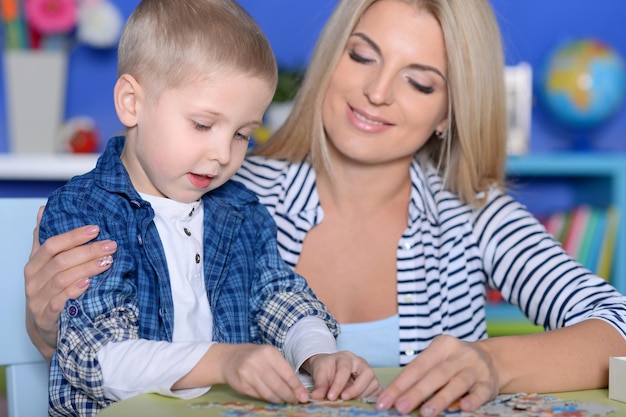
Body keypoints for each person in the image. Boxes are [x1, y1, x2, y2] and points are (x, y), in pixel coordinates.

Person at [25, 0, 626, 416]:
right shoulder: (218, 187)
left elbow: (618, 326)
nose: (377, 92)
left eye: (420, 82)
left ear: (449, 113)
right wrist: (44, 325)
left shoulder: (475, 217)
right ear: (331, 58)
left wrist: (494, 363)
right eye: (362, 55)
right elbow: (106, 349)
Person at [34, 1, 381, 416]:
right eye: (203, 124)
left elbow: (279, 296)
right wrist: (224, 360)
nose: (222, 154)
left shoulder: (240, 211)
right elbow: (99, 358)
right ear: (131, 102)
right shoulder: (86, 212)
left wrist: (319, 355)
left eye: (241, 134)